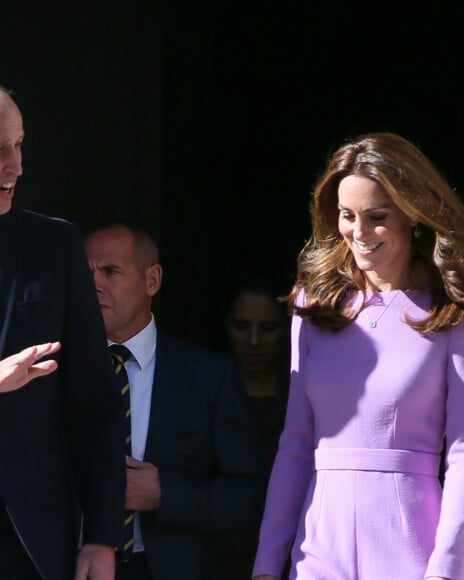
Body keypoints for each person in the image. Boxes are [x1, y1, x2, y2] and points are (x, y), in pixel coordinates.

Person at [252, 132, 464, 580]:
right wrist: (267, 562)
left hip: (411, 545)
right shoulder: (313, 305)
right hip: (319, 545)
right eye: (347, 216)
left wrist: (446, 567)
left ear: (412, 215)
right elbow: (296, 443)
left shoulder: (457, 311)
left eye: (376, 217)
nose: (358, 233)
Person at [83, 220, 265, 579]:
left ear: (152, 280)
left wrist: (166, 493)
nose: (94, 285)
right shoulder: (56, 371)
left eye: (110, 271)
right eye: (85, 273)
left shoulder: (208, 376)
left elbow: (249, 498)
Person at [0, 86, 126, 579]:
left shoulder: (53, 244)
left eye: (19, 144)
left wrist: (100, 535)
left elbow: (95, 403)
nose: (16, 166)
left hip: (31, 545)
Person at [214, 276, 291, 579]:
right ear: (226, 326)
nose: (254, 341)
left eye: (268, 328)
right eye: (242, 327)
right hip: (218, 557)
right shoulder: (204, 395)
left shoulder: (303, 397)